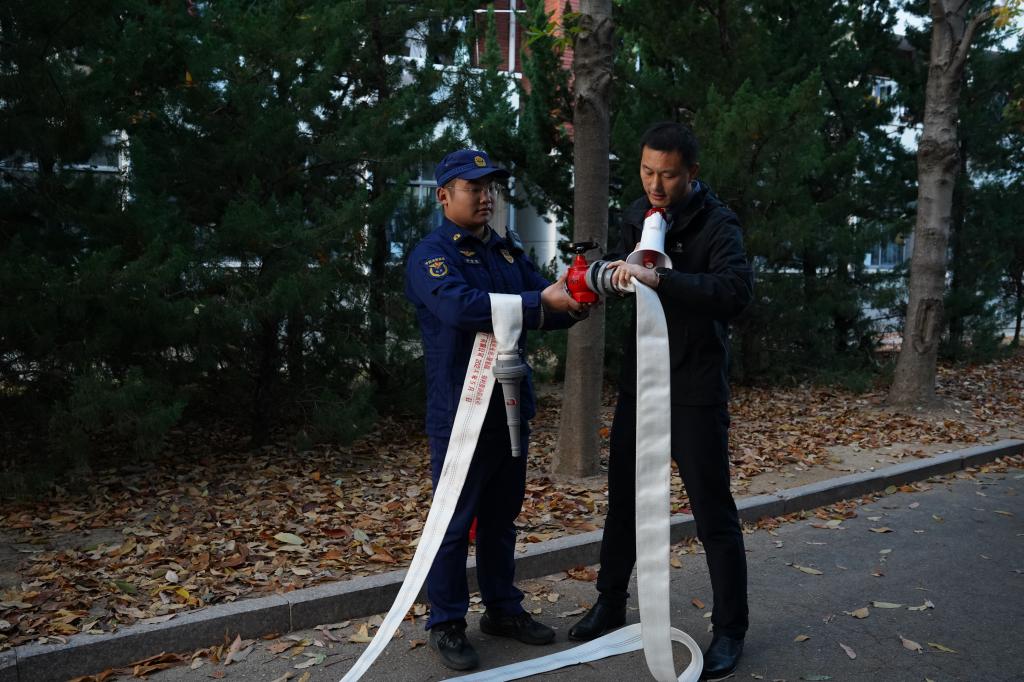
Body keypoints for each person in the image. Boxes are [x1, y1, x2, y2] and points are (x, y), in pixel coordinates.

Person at [568, 122, 754, 681]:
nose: (655, 184)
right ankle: (609, 602)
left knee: (712, 513)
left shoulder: (718, 224)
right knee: (624, 502)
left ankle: (730, 630)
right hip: (640, 384)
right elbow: (626, 269)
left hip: (695, 390)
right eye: (647, 171)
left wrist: (661, 280)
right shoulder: (637, 214)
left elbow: (734, 293)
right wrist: (608, 277)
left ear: (691, 173)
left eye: (668, 175)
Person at [405, 148, 587, 672]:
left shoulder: (506, 252)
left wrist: (581, 296)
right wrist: (539, 304)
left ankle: (503, 609)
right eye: (474, 187)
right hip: (460, 412)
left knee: (502, 518)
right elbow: (460, 307)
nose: (486, 197)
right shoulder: (431, 255)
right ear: (444, 196)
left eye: (490, 188)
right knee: (454, 523)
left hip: (508, 406)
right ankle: (446, 622)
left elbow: (544, 302)